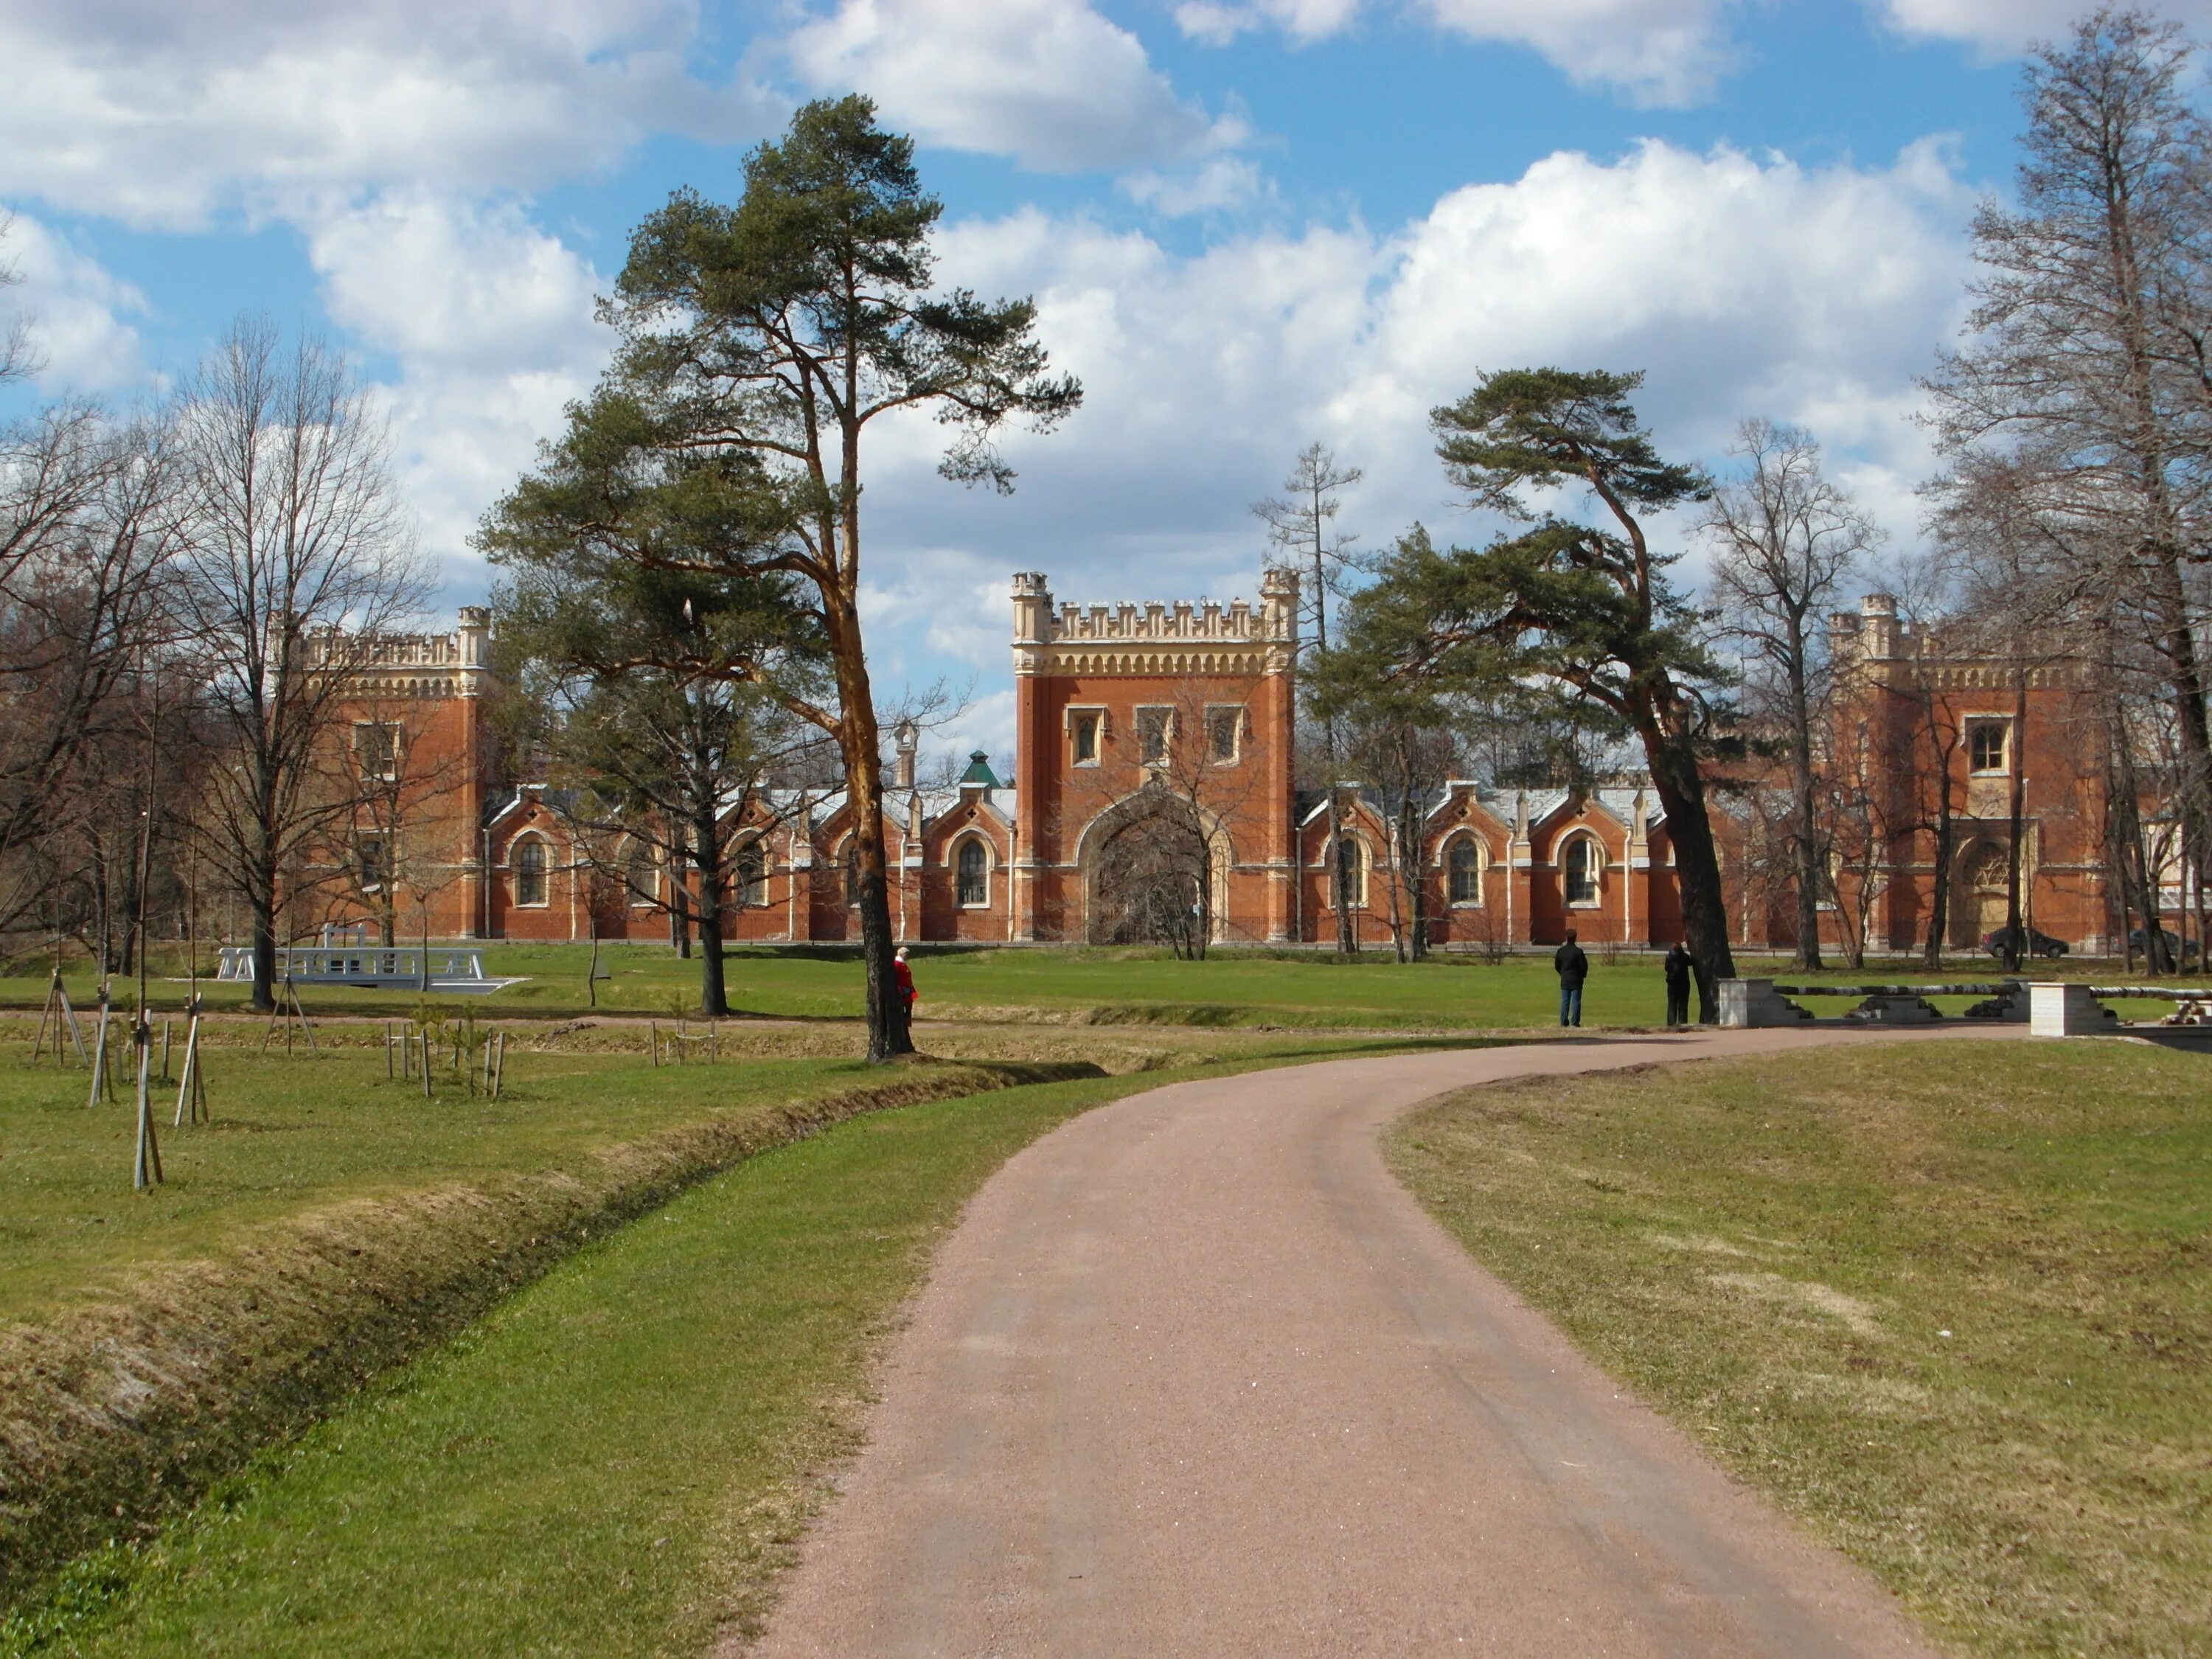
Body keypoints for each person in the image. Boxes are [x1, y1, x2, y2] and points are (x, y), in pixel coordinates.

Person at [1553, 928, 1589, 1028]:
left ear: (1566, 938)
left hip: (1565, 979)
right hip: (1576, 979)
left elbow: (1557, 965)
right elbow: (1584, 966)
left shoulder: (1561, 951)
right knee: (1576, 1001)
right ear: (1575, 938)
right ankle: (1575, 1021)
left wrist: (1562, 973)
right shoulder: (1578, 952)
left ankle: (1564, 1021)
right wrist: (1583, 974)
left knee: (1565, 1001)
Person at [1663, 941, 1693, 1028]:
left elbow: (1666, 968)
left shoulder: (1669, 957)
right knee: (1683, 1005)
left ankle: (1671, 1024)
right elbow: (1691, 962)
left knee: (1672, 1005)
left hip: (1672, 983)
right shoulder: (1685, 957)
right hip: (1684, 983)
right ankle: (1682, 1024)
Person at [893, 946, 917, 1023]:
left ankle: (907, 1023)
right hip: (902, 989)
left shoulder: (903, 964)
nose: (908, 956)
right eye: (906, 954)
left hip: (907, 988)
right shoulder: (896, 964)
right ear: (903, 954)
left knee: (909, 1006)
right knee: (902, 1006)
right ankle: (901, 1023)